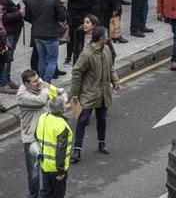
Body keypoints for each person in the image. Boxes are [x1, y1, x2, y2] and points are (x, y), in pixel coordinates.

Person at [70, 25, 121, 163]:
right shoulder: (86, 54)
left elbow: (110, 67)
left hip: (103, 92)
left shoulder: (107, 50)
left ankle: (101, 143)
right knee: (82, 120)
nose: (108, 38)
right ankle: (77, 150)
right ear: (101, 38)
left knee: (102, 119)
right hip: (89, 93)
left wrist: (115, 81)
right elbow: (76, 73)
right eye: (106, 36)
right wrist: (74, 94)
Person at [17, 69, 63, 198]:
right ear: (26, 84)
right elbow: (42, 100)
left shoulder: (38, 86)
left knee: (47, 169)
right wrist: (45, 87)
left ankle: (46, 194)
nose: (38, 82)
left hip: (45, 136)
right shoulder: (22, 96)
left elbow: (57, 94)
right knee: (34, 172)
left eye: (38, 79)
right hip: (32, 140)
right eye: (34, 81)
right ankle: (33, 195)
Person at [23, 0, 67, 83]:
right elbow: (62, 16)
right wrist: (61, 5)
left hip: (37, 34)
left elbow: (27, 17)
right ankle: (46, 82)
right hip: (51, 34)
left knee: (42, 58)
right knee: (51, 60)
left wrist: (36, 22)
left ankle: (41, 80)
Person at [35, 96, 72, 197]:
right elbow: (61, 151)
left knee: (46, 192)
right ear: (62, 109)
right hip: (56, 168)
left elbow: (36, 136)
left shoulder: (43, 117)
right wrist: (61, 171)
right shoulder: (62, 126)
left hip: (44, 164)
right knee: (58, 194)